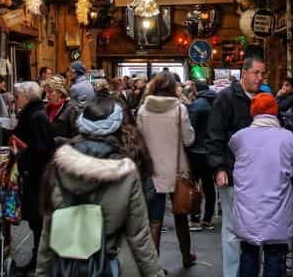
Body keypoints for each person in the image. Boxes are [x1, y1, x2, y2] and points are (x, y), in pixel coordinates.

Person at [35, 96, 165, 277]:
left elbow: (49, 229)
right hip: (113, 264)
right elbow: (139, 235)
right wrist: (155, 274)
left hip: (66, 265)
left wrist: (41, 273)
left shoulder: (59, 167)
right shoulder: (127, 172)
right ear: (118, 127)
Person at [230, 93, 293, 277]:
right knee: (275, 256)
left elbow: (234, 152)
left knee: (248, 254)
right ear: (275, 112)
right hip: (276, 210)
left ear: (253, 112)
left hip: (247, 211)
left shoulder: (239, 138)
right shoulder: (287, 138)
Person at [206, 56, 266, 277]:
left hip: (257, 175)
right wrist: (219, 168)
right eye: (256, 73)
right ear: (244, 72)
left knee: (255, 229)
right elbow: (214, 135)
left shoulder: (264, 98)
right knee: (231, 230)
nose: (260, 78)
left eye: (262, 74)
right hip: (232, 172)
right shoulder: (226, 98)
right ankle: (231, 274)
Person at [136, 72, 197, 268]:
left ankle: (153, 266)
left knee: (155, 221)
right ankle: (186, 256)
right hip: (177, 171)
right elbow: (189, 139)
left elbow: (138, 142)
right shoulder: (179, 110)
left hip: (152, 171)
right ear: (173, 88)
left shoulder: (143, 110)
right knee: (181, 216)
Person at [12, 81, 55, 275]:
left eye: (18, 96)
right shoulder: (34, 114)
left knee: (38, 221)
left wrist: (22, 153)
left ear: (27, 97)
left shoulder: (36, 116)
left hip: (38, 177)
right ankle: (38, 260)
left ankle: (39, 262)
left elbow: (40, 149)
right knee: (36, 221)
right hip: (36, 175)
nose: (16, 100)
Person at [187, 82, 217, 231]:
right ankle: (208, 218)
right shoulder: (216, 101)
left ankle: (195, 217)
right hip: (211, 150)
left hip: (196, 149)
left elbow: (189, 127)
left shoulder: (197, 104)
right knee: (209, 184)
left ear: (195, 90)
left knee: (194, 184)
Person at [43, 75, 78, 140]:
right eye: (46, 92)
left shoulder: (72, 109)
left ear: (60, 92)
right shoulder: (45, 108)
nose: (47, 95)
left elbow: (76, 138)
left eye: (50, 91)